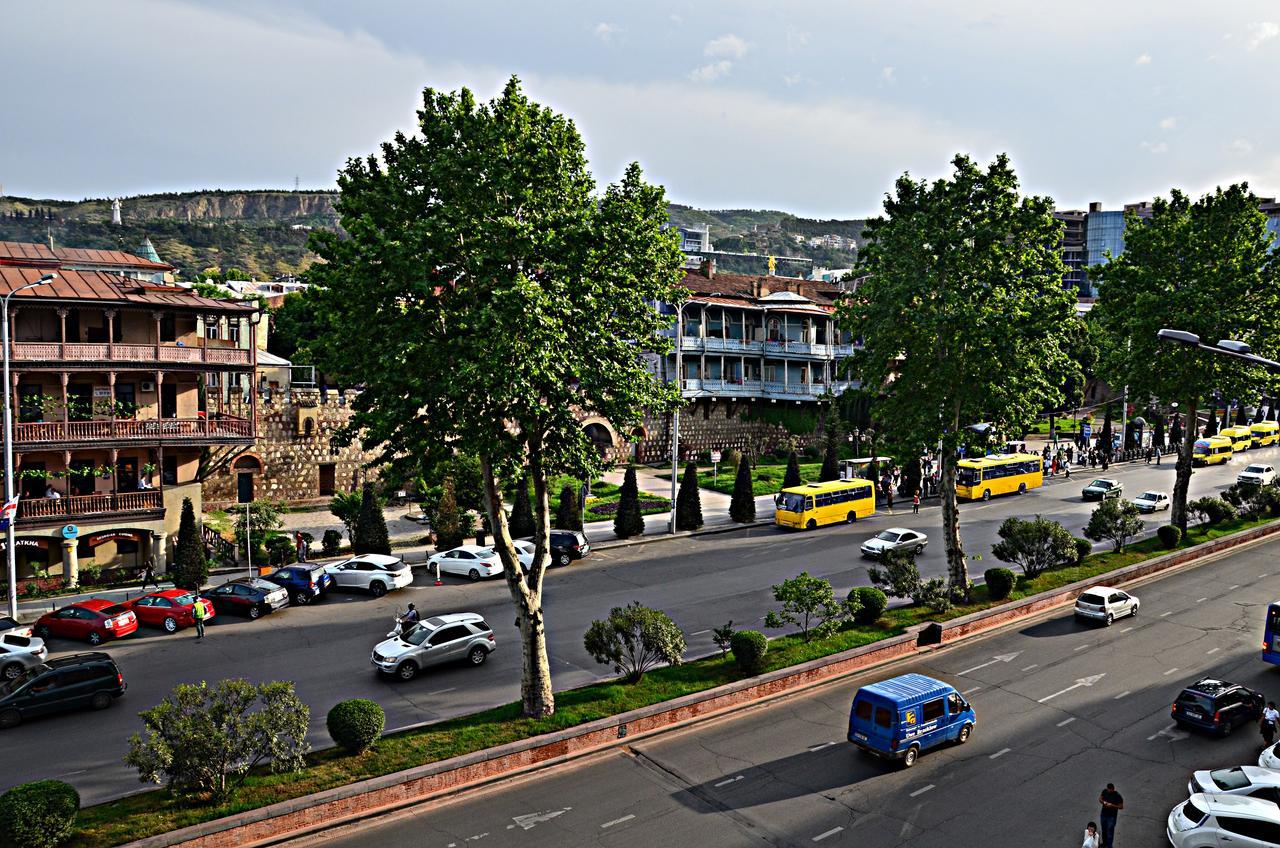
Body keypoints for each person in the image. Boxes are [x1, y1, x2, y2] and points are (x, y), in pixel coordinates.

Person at [1098, 783, 1124, 848]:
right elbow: (1100, 799)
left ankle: (1109, 846)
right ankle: (1104, 844)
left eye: (1110, 790)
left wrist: (1112, 805)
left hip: (1112, 817)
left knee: (1110, 832)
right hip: (1103, 814)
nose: (1108, 791)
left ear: (1113, 789)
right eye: (1108, 789)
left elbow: (1121, 806)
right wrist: (1104, 802)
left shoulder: (1117, 796)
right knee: (1104, 830)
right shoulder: (1105, 791)